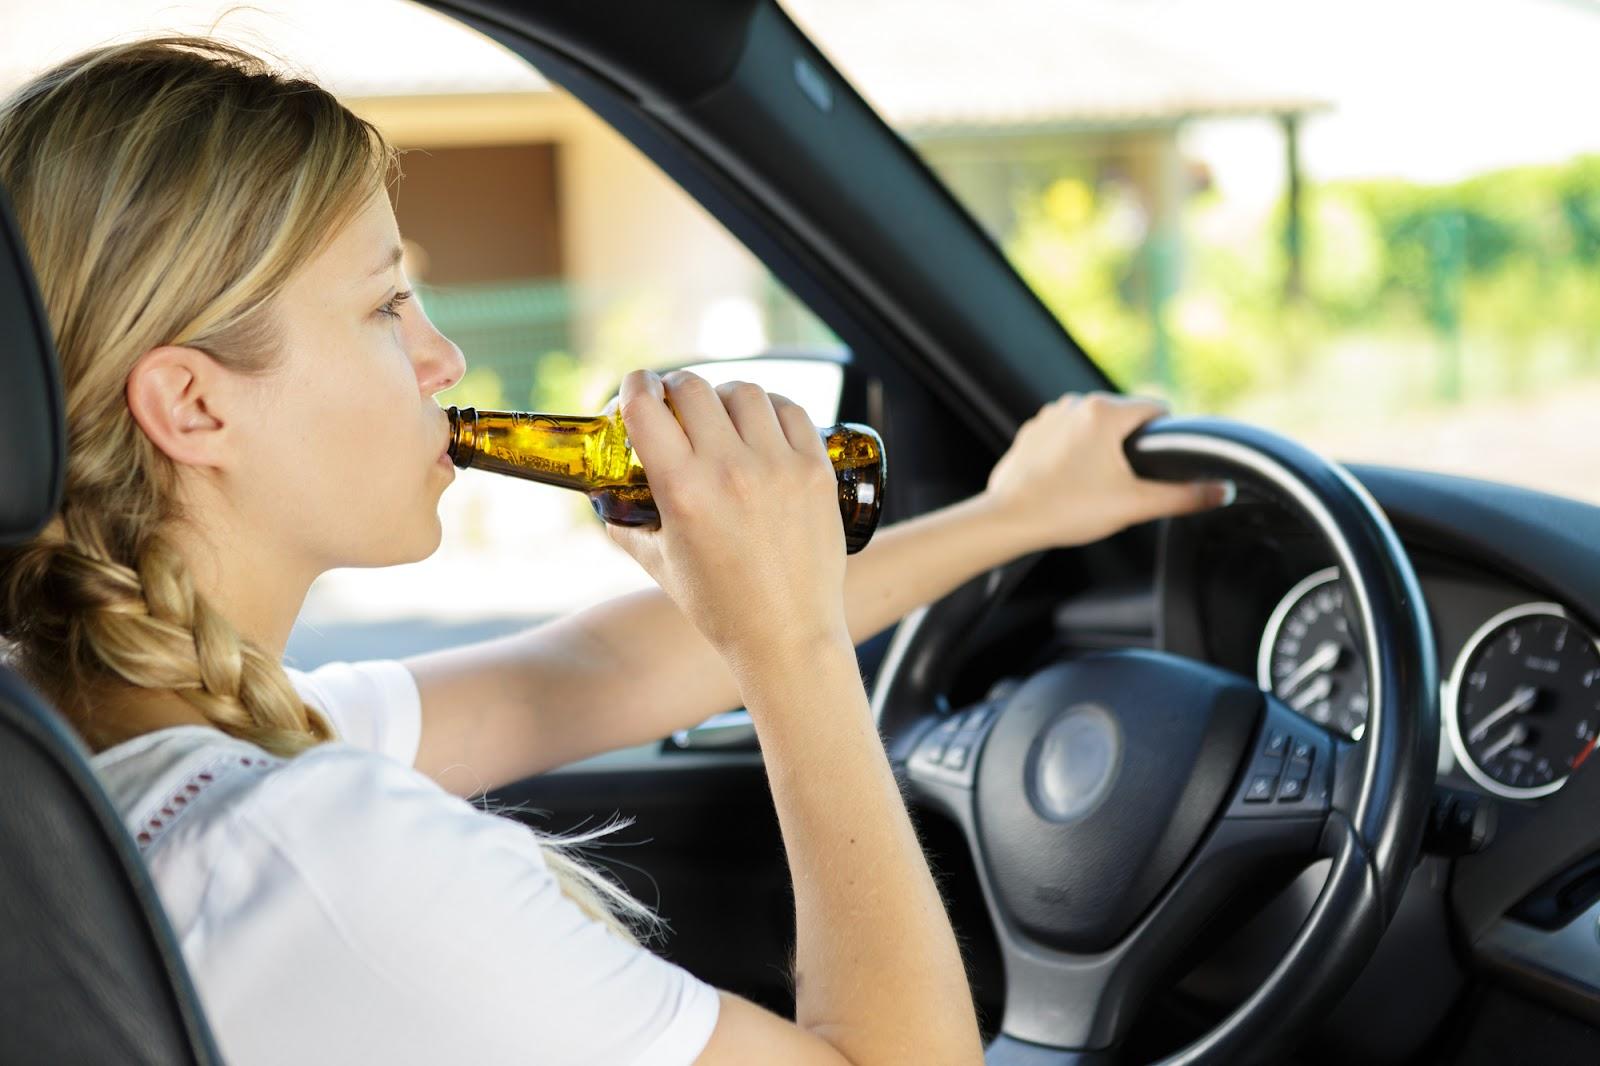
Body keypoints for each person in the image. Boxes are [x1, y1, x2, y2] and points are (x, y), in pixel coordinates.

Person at [0, 36, 1229, 1066]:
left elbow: (589, 676)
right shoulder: (323, 846)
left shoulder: (105, 744)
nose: (446, 362)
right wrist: (791, 648)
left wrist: (1013, 517)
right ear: (194, 408)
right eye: (385, 306)